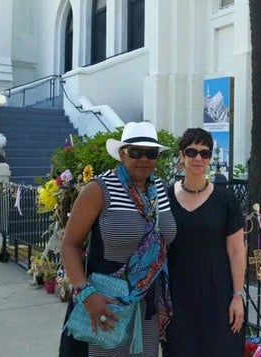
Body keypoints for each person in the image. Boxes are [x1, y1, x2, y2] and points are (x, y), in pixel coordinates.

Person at [59, 121, 176, 357]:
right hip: (104, 302)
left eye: (151, 153)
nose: (144, 158)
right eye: (136, 151)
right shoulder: (100, 189)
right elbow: (69, 245)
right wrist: (85, 293)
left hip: (146, 305)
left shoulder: (159, 190)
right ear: (122, 154)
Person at [162, 127, 246, 356]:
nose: (198, 158)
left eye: (205, 153)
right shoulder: (165, 199)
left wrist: (238, 296)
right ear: (181, 155)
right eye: (191, 152)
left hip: (218, 298)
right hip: (178, 300)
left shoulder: (225, 200)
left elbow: (237, 250)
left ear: (210, 158)